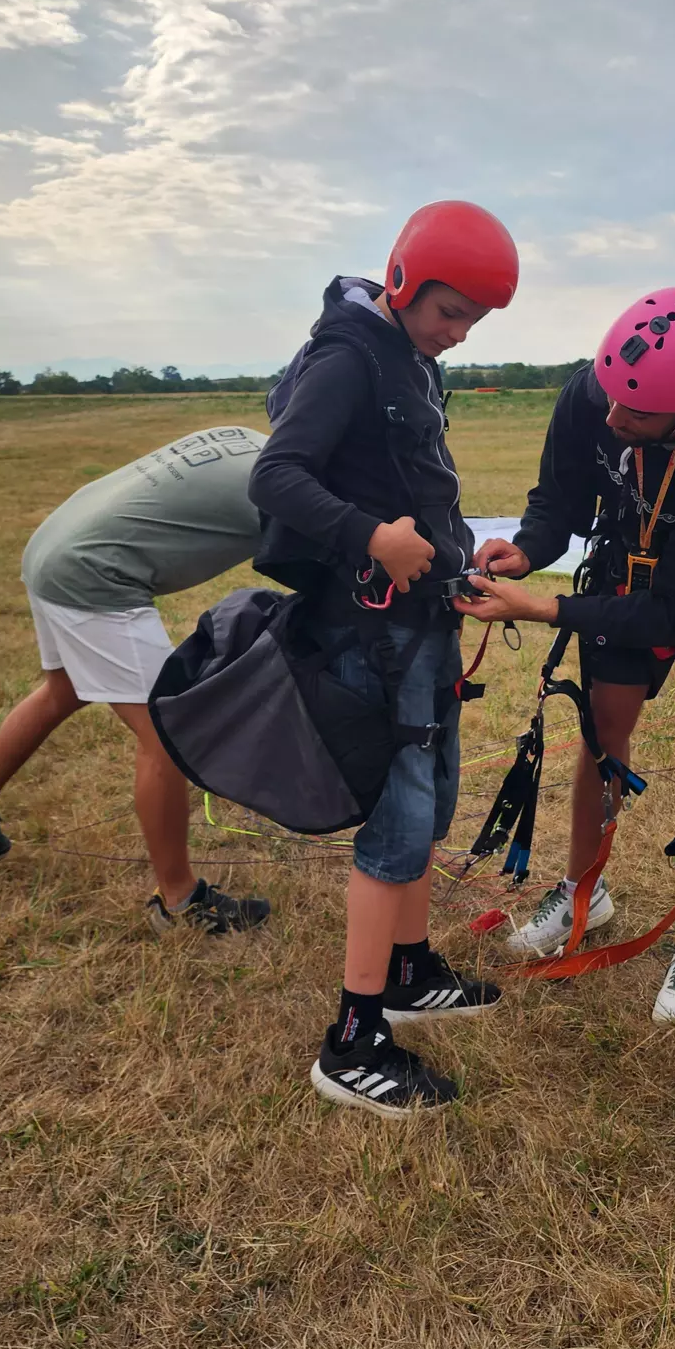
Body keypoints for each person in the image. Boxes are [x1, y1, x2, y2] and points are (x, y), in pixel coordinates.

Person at [249, 200, 519, 1115]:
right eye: (450, 312)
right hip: (375, 632)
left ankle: (406, 972)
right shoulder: (348, 356)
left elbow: (412, 481)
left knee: (432, 800)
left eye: (473, 322)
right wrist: (372, 538)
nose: (458, 333)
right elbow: (276, 474)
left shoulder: (406, 356)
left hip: (422, 624)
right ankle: (355, 1035)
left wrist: (452, 560)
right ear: (403, 282)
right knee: (399, 822)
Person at [460, 285, 675, 1023]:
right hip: (621, 566)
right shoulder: (597, 392)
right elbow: (561, 501)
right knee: (603, 736)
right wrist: (526, 550)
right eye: (608, 397)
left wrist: (540, 607)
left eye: (633, 415)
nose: (611, 419)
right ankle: (583, 890)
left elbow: (674, 611)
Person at [0, 425, 271, 940]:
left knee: (63, 691)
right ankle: (177, 903)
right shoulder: (282, 488)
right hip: (93, 573)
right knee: (167, 734)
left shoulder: (244, 438)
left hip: (52, 546)